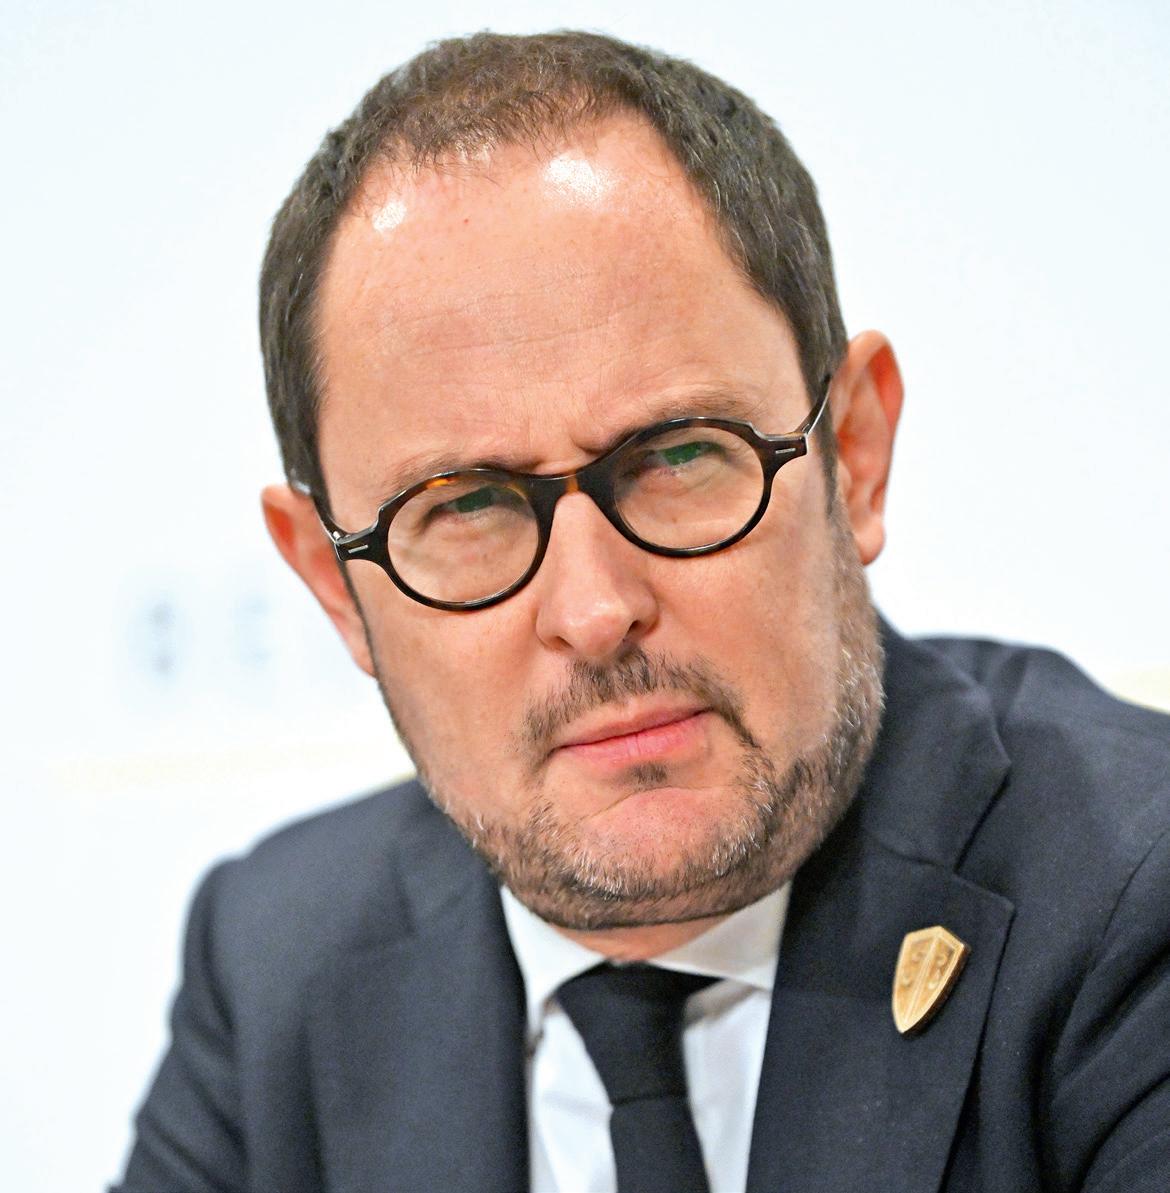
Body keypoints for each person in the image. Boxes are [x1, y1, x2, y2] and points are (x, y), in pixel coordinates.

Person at [113, 30, 1170, 1193]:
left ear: (855, 454)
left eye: (676, 456)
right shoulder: (273, 963)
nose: (595, 609)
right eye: (465, 505)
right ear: (335, 582)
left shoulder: (1134, 887)